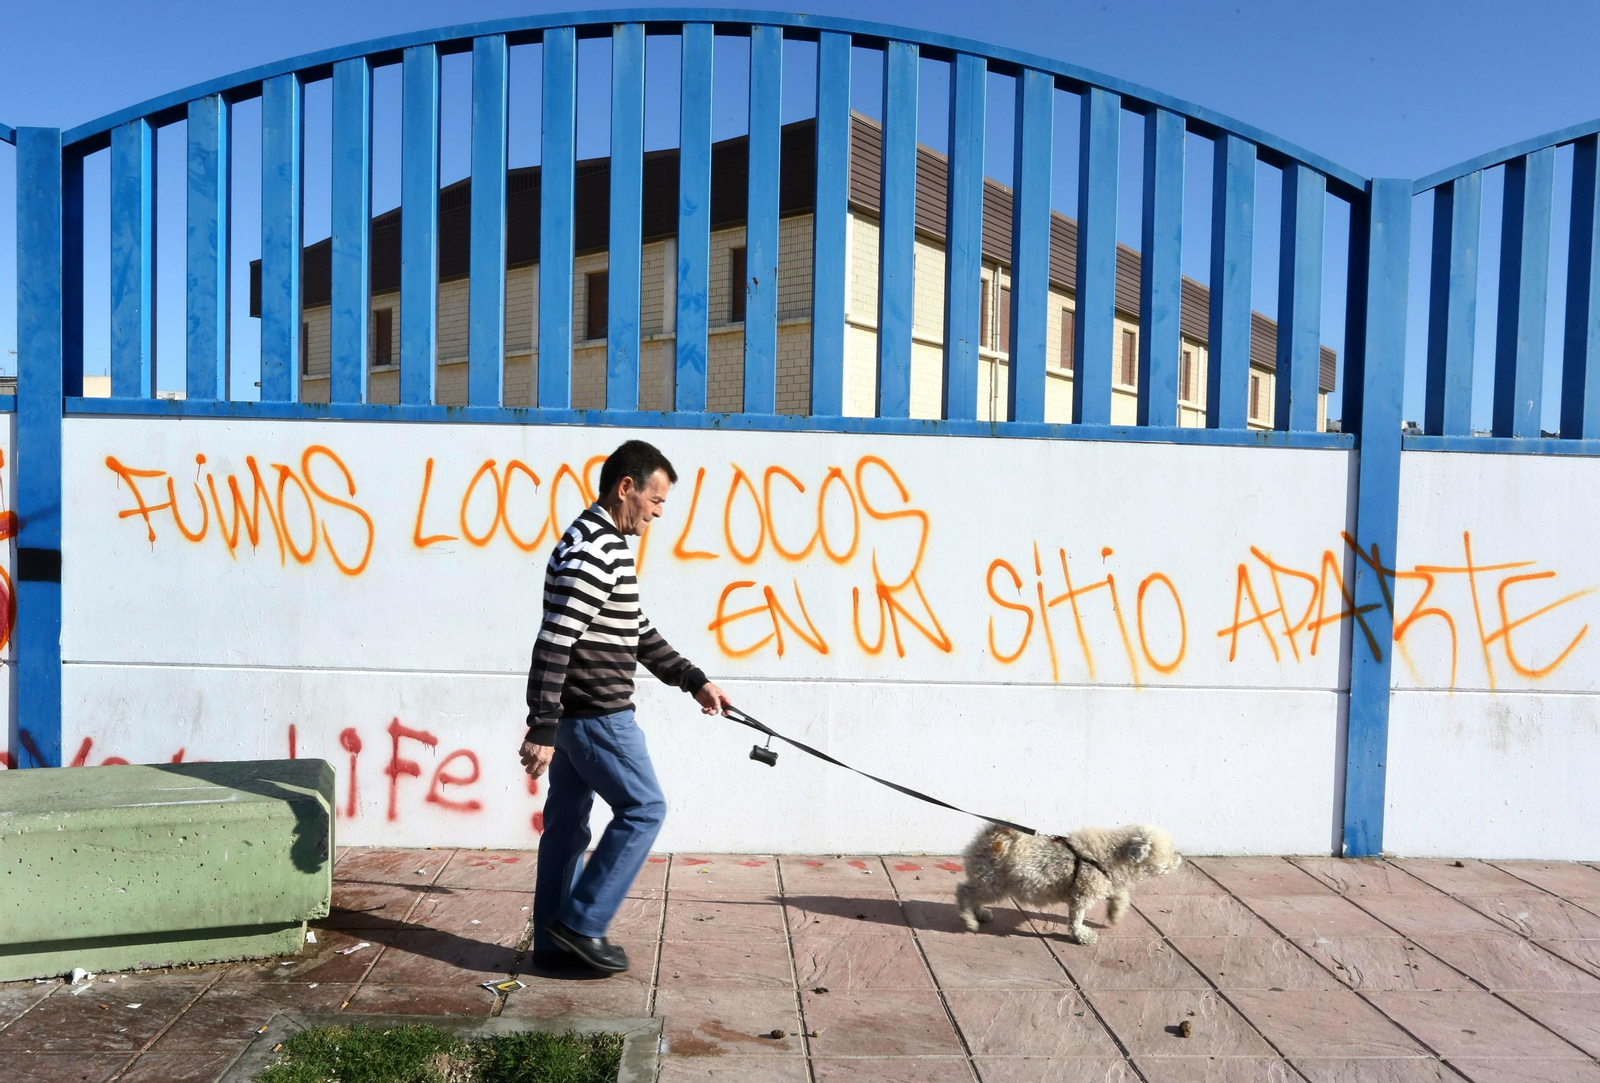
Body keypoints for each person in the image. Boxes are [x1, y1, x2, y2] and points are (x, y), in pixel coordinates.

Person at [521, 439, 732, 974]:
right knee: (644, 809)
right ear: (626, 489)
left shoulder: (592, 539)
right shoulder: (598, 547)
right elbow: (555, 640)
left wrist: (693, 680)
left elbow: (633, 630)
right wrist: (541, 725)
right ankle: (582, 923)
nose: (658, 514)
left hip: (576, 718)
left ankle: (552, 944)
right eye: (655, 501)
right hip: (596, 715)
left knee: (567, 826)